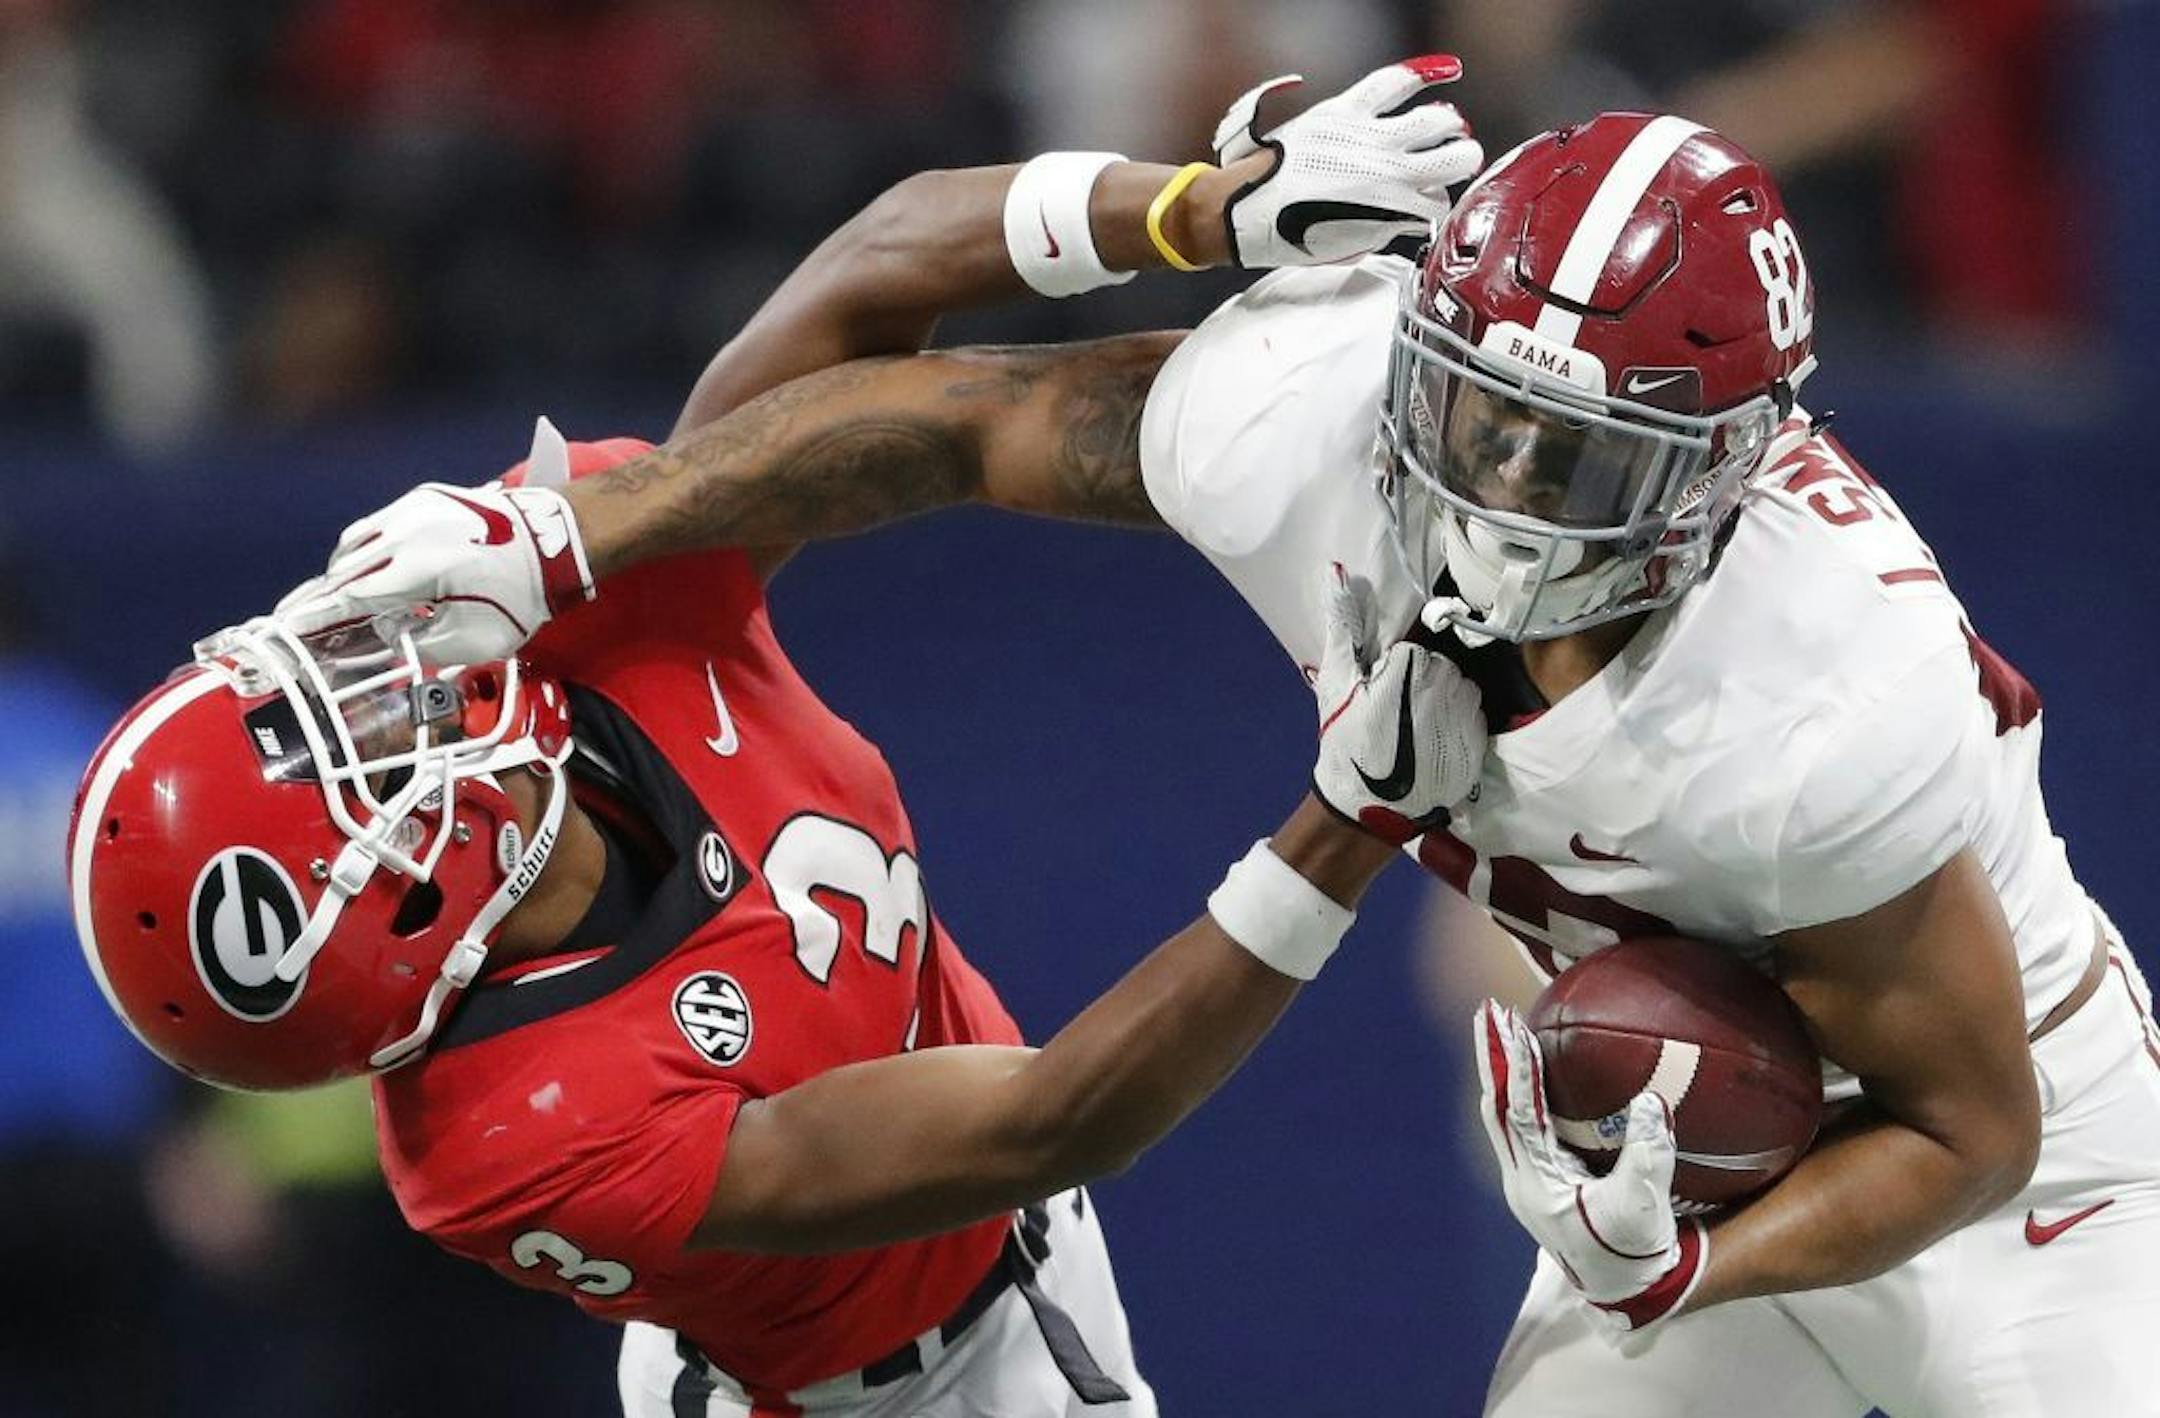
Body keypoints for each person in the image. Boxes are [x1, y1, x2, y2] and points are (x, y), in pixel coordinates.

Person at [292, 98, 2160, 1413]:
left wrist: (1693, 1266)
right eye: (1477, 412)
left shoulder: (1825, 698)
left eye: (1572, 466)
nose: (1497, 492)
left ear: (1719, 489)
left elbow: (1968, 1128)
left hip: (2039, 1173)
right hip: (1696, 1146)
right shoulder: (1312, 410)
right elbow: (950, 417)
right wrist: (573, 537)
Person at [68, 62, 1484, 1418]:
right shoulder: (521, 1129)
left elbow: (876, 277)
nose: (401, 688)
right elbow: (1056, 1115)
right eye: (363, 752)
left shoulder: (548, 620)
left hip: (953, 1257)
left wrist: (1197, 207)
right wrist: (1348, 814)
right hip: (920, 1383)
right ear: (401, 910)